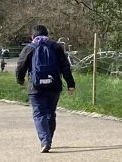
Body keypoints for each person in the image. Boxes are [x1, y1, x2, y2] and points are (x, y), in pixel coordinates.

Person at [13, 25, 76, 153]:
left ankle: (45, 140)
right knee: (50, 113)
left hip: (36, 88)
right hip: (54, 86)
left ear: (32, 36)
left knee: (39, 113)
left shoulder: (29, 48)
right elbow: (65, 67)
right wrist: (70, 84)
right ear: (47, 35)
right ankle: (48, 140)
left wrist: (20, 80)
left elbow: (20, 66)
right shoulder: (56, 47)